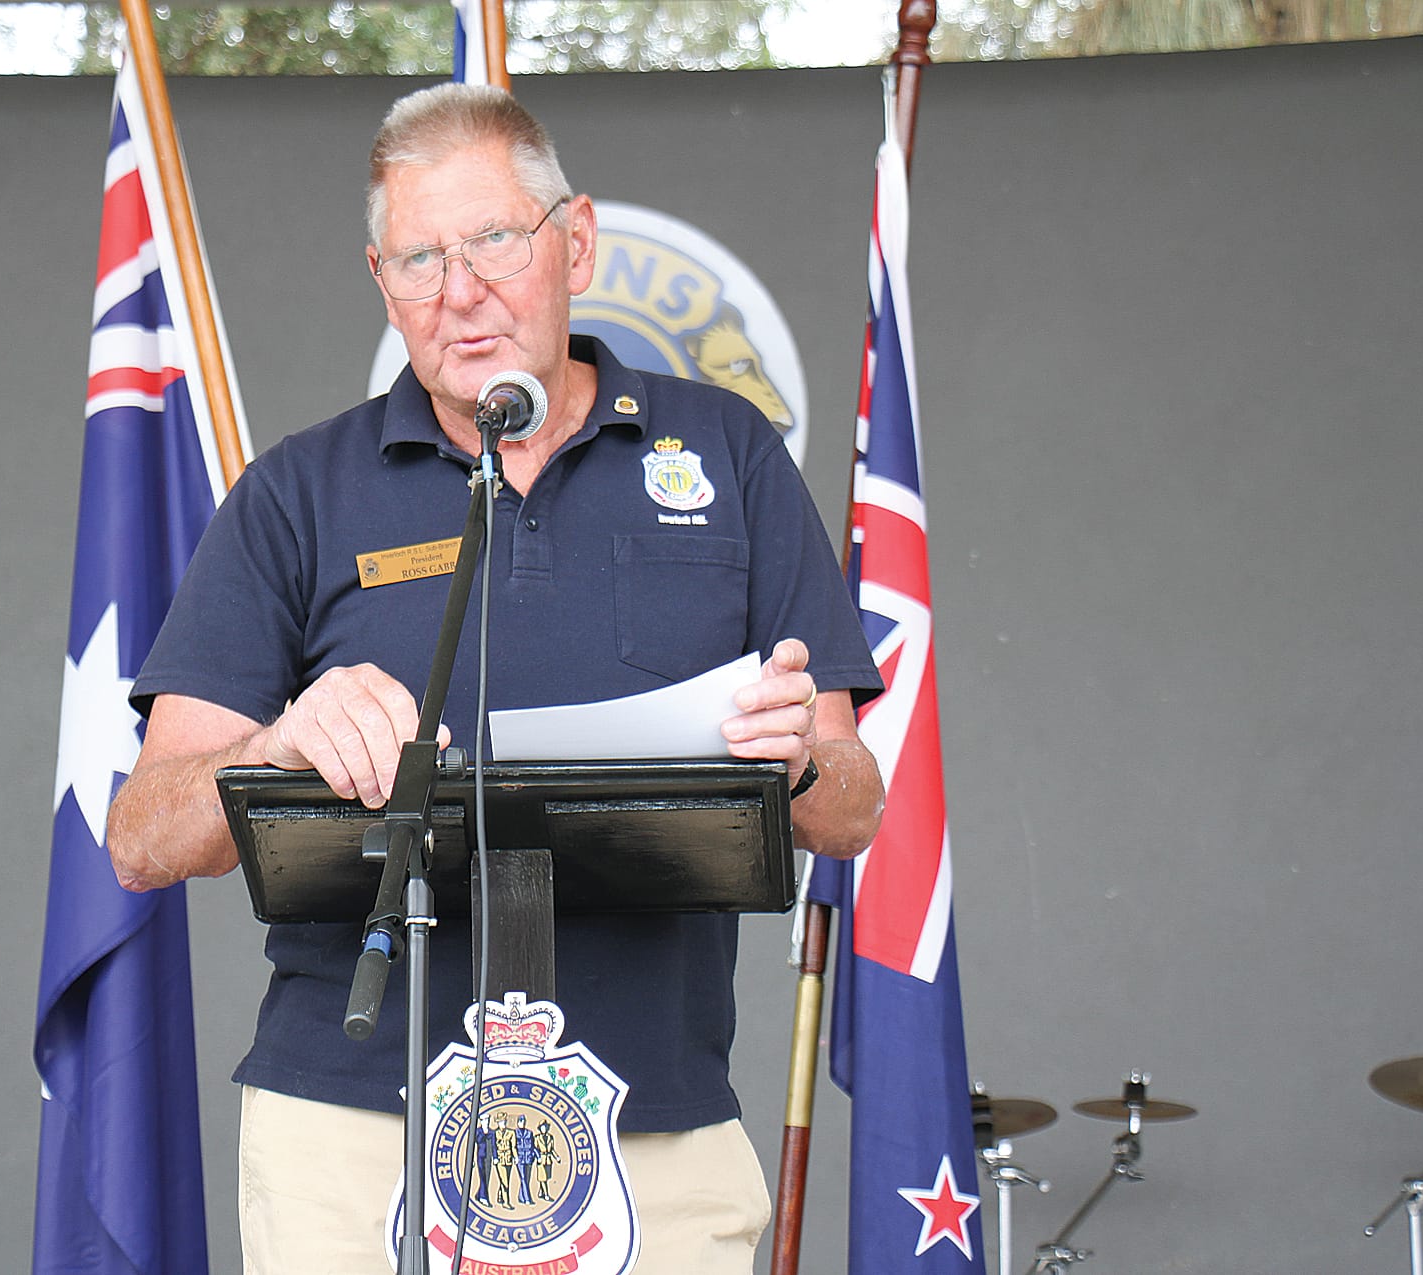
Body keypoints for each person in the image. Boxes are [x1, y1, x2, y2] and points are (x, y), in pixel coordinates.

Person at [107, 82, 886, 1275]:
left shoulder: (726, 453)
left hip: (653, 1127)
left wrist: (798, 762)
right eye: (419, 259)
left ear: (575, 242)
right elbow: (142, 837)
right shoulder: (296, 492)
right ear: (382, 282)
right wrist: (270, 749)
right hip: (350, 1136)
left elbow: (852, 804)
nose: (459, 291)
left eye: (492, 241)